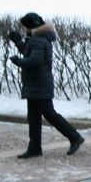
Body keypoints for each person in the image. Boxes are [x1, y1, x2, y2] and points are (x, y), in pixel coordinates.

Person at [6, 12, 83, 159]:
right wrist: (18, 43)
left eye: (26, 27)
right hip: (37, 84)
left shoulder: (38, 40)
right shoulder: (39, 39)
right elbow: (30, 52)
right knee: (34, 117)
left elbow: (35, 60)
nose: (25, 30)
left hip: (39, 84)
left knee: (50, 114)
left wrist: (18, 61)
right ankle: (34, 147)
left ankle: (74, 137)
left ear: (31, 26)